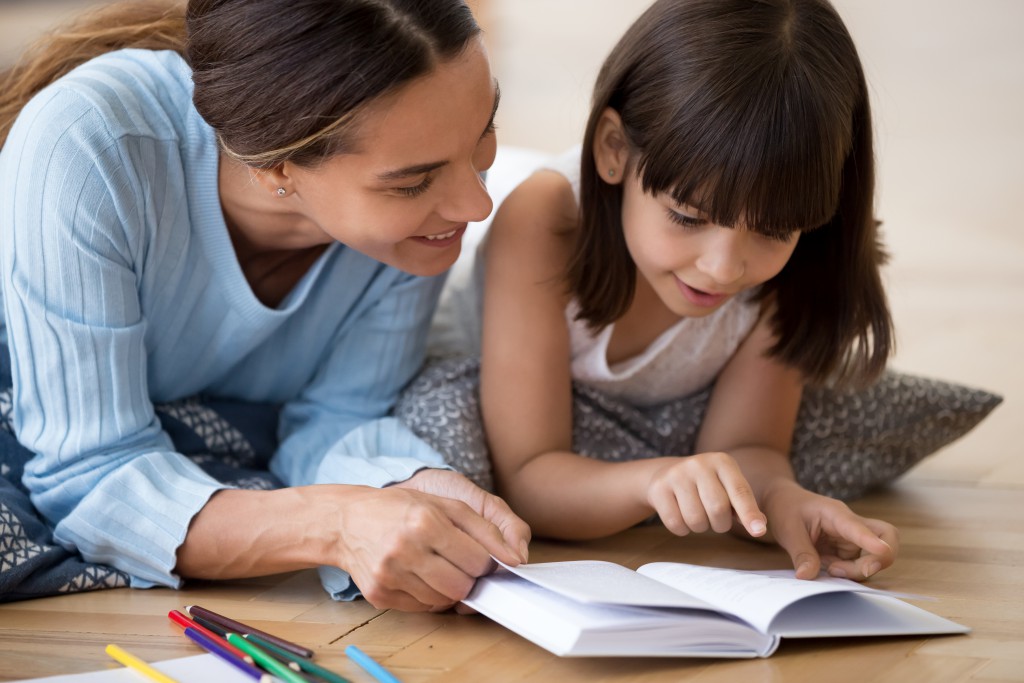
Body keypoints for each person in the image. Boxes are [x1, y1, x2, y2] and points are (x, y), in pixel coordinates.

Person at [0, 0, 530, 611]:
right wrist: (335, 524)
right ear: (275, 163)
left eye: (483, 132)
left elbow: (338, 415)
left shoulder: (414, 234)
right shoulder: (92, 145)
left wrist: (405, 488)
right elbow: (88, 477)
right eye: (413, 181)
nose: (475, 205)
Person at [412, 0, 900, 582]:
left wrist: (784, 499)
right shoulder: (545, 220)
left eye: (774, 231)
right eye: (688, 217)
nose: (723, 268)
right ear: (614, 150)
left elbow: (748, 447)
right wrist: (653, 481)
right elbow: (530, 473)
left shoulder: (798, 264)